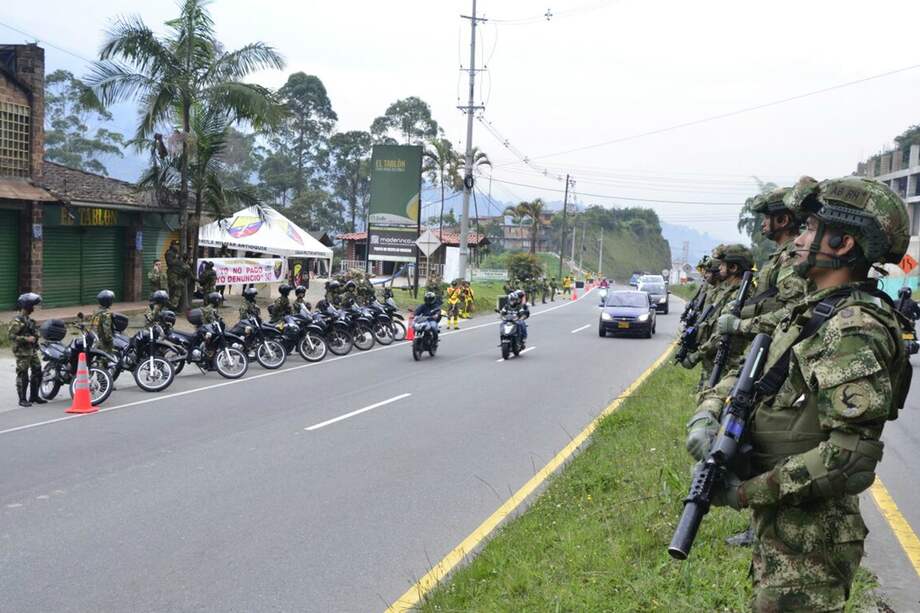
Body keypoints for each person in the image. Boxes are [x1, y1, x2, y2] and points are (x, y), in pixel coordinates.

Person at [691, 176, 911, 612]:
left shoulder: (853, 328)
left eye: (809, 228)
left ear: (843, 242)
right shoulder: (813, 311)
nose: (797, 239)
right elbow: (753, 373)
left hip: (812, 540)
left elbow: (849, 459)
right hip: (787, 528)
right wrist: (710, 408)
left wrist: (743, 493)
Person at [8, 292, 45, 407]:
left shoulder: (29, 320)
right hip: (22, 352)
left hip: (32, 350)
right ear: (27, 306)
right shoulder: (17, 321)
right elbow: (11, 336)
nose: (33, 309)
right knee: (23, 374)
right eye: (32, 306)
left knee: (38, 370)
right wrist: (26, 338)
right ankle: (22, 399)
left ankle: (34, 396)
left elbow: (34, 334)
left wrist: (35, 337)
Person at [91, 289, 116, 354]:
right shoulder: (105, 315)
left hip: (94, 339)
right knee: (105, 360)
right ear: (107, 301)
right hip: (102, 343)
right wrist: (110, 340)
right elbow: (107, 332)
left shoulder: (96, 312)